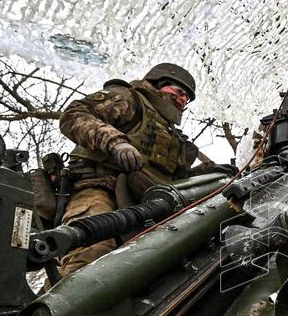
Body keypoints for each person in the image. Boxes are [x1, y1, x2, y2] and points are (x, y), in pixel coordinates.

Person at [56, 63, 202, 276]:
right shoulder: (128, 99)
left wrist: (209, 172)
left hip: (145, 210)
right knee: (89, 260)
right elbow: (74, 115)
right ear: (157, 84)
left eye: (186, 98)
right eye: (178, 92)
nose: (181, 100)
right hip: (99, 189)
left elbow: (176, 181)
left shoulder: (175, 139)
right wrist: (116, 142)